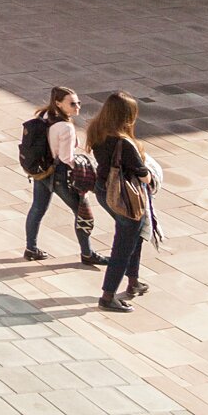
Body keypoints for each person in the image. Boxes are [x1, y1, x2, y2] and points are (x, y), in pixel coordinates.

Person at [86, 91, 157, 311]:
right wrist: (152, 178)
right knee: (123, 245)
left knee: (134, 233)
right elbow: (142, 173)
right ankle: (108, 296)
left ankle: (133, 281)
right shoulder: (124, 142)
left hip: (104, 190)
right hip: (125, 197)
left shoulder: (96, 130)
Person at [21, 86, 102, 267]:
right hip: (58, 174)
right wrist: (83, 166)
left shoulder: (44, 117)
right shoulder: (65, 127)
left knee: (37, 208)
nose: (77, 107)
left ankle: (31, 248)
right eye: (72, 104)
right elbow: (66, 158)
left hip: (41, 170)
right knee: (82, 213)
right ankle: (87, 253)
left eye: (78, 102)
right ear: (58, 104)